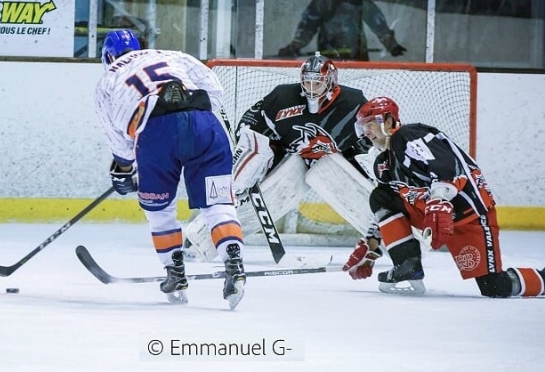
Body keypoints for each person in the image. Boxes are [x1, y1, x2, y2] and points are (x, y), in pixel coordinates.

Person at [341, 96, 545, 298]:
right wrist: (371, 247)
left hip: (470, 214)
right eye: (363, 126)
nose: (367, 132)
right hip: (434, 213)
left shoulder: (409, 135)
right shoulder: (383, 163)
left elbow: (448, 166)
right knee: (380, 194)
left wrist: (439, 200)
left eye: (371, 123)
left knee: (495, 287)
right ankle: (408, 266)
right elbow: (390, 204)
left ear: (389, 119)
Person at [94, 29, 246, 309]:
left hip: (156, 133)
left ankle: (175, 273)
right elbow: (213, 89)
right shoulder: (170, 55)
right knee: (217, 203)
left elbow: (118, 138)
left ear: (107, 56)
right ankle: (234, 263)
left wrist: (124, 169)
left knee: (159, 209)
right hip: (206, 127)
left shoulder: (108, 79)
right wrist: (194, 118)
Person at [184, 53, 375, 263]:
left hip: (332, 159)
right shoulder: (282, 96)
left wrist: (356, 158)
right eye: (307, 82)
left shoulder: (354, 102)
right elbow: (251, 120)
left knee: (371, 172)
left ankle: (392, 238)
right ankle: (199, 238)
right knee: (246, 164)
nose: (311, 88)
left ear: (330, 82)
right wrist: (253, 153)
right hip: (287, 155)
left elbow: (371, 136)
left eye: (317, 83)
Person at [278, 0, 406, 61]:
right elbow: (307, 27)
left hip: (357, 58)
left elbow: (378, 23)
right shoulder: (321, 3)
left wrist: (391, 45)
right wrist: (294, 47)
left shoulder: (359, 3)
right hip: (328, 58)